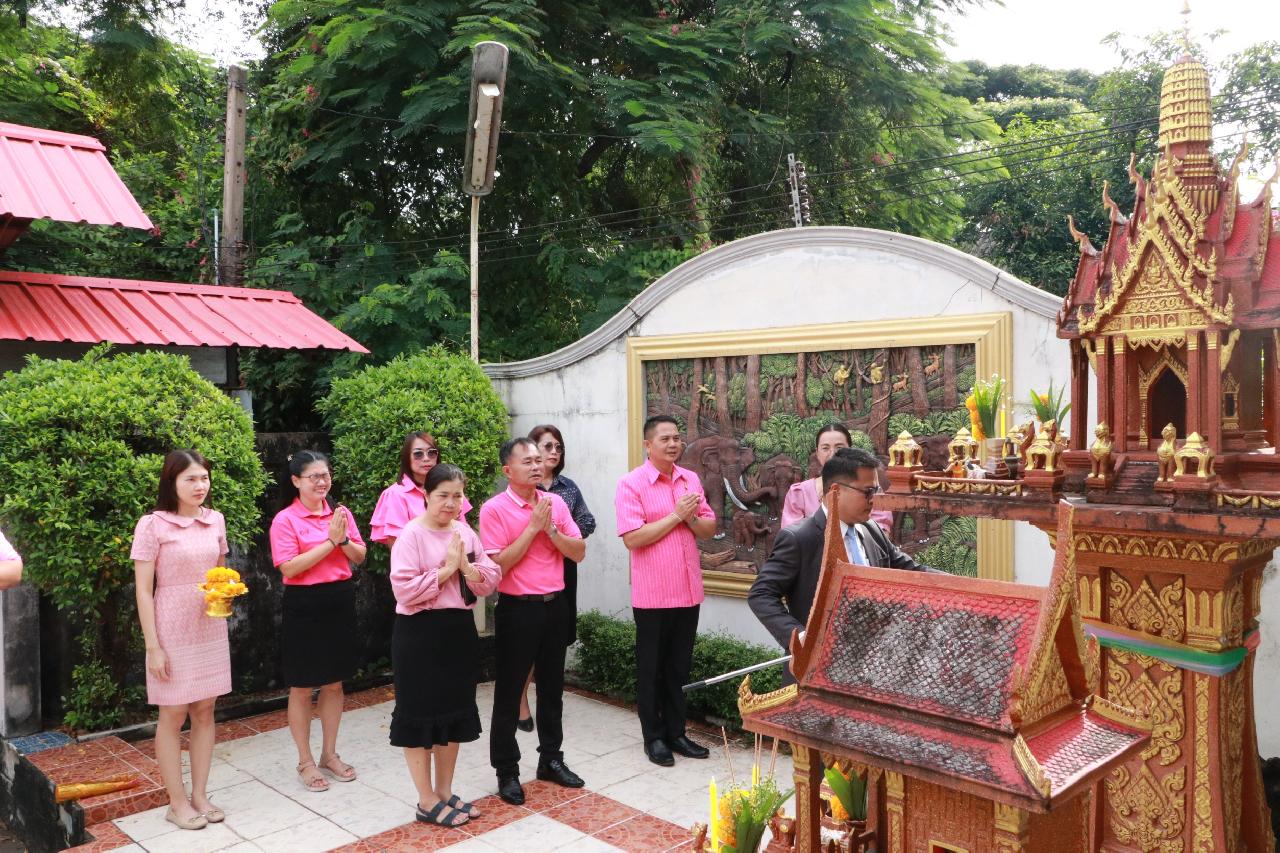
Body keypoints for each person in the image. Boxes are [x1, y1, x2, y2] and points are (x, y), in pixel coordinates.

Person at [749, 447, 940, 685]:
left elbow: (912, 571)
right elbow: (761, 594)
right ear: (836, 491)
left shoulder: (871, 530)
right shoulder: (799, 538)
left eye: (876, 491)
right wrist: (801, 637)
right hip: (817, 674)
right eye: (867, 492)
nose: (873, 500)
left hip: (872, 672)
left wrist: (968, 588)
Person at [389, 464, 500, 828]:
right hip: (419, 634)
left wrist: (465, 568)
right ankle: (425, 800)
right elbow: (403, 590)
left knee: (454, 712)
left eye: (457, 496)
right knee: (419, 715)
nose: (451, 503)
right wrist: (446, 570)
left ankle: (444, 791)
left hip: (457, 632)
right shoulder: (411, 535)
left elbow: (489, 578)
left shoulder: (464, 532)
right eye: (443, 496)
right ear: (426, 495)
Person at [479, 437, 586, 805]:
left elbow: (579, 552)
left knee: (553, 688)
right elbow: (498, 564)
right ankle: (507, 770)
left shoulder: (556, 503)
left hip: (555, 605)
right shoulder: (493, 509)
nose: (537, 465)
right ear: (507, 470)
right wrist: (532, 528)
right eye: (527, 461)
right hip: (517, 608)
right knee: (510, 691)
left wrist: (551, 530)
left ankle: (551, 759)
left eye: (539, 460)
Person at [131, 450, 230, 831]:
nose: (199, 485)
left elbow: (220, 572)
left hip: (209, 626)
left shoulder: (215, 520)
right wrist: (153, 646)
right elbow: (143, 590)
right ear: (171, 482)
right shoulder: (152, 525)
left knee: (205, 709)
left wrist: (226, 591)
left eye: (204, 478)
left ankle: (200, 795)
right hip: (170, 628)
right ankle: (176, 802)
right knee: (172, 714)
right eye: (190, 479)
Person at [615, 414, 715, 767]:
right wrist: (676, 516)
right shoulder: (631, 484)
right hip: (653, 594)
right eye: (665, 439)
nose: (673, 444)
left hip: (688, 591)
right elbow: (632, 538)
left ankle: (677, 733)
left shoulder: (690, 479)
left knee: (678, 668)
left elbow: (708, 527)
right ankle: (653, 738)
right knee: (651, 669)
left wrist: (690, 518)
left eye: (676, 438)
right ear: (648, 445)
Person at [269, 450, 368, 794]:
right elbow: (289, 567)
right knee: (301, 686)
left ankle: (329, 754)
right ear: (296, 481)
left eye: (325, 475)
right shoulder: (285, 519)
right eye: (314, 476)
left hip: (338, 599)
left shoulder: (340, 514)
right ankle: (305, 760)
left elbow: (360, 555)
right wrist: (330, 542)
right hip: (304, 604)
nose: (322, 482)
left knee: (334, 683)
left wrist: (343, 539)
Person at [515, 424, 596, 731]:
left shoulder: (567, 488)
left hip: (563, 566)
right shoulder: (522, 487)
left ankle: (549, 703)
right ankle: (520, 702)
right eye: (547, 446)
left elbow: (587, 521)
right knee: (528, 644)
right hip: (528, 572)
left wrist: (562, 534)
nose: (553, 452)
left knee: (556, 639)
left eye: (558, 447)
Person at [780, 423, 892, 532]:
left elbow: (881, 530)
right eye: (825, 448)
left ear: (850, 450)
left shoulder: (870, 489)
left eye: (839, 447)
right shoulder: (799, 493)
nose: (832, 454)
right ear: (817, 452)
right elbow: (793, 534)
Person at [370, 431, 473, 548]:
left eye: (431, 453)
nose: (426, 458)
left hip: (458, 555)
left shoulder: (451, 488)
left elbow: (464, 532)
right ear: (407, 458)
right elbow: (397, 545)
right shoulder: (395, 494)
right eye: (418, 454)